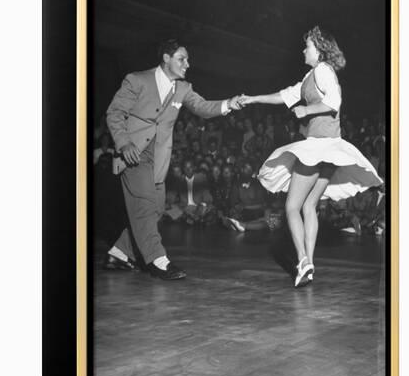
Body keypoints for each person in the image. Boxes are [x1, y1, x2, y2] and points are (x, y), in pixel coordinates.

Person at [239, 26, 382, 288]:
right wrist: (252, 98)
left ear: (319, 49)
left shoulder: (322, 71)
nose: (303, 50)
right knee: (308, 206)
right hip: (328, 151)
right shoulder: (310, 76)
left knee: (291, 207)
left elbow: (334, 103)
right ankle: (309, 265)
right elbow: (283, 96)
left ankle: (303, 260)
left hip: (319, 147)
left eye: (307, 46)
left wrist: (306, 111)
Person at [105, 39, 243, 280]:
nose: (187, 64)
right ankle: (158, 260)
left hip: (158, 157)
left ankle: (119, 252)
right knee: (146, 205)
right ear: (166, 58)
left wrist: (228, 104)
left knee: (156, 209)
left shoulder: (183, 88)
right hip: (133, 153)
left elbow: (203, 107)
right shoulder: (136, 80)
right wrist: (124, 142)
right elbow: (115, 113)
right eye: (182, 58)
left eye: (187, 59)